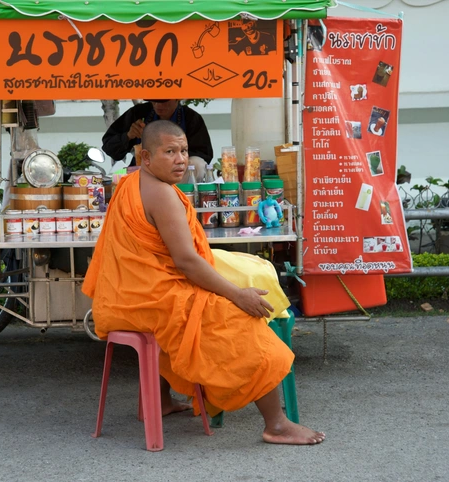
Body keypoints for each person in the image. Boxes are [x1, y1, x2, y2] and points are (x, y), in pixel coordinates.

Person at [84, 120, 325, 445]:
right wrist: (239, 296)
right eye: (169, 152)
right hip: (147, 302)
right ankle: (276, 424)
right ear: (146, 158)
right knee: (240, 320)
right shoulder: (163, 196)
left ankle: (163, 401)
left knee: (208, 306)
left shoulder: (131, 183)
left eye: (183, 150)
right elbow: (186, 262)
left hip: (119, 299)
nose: (180, 159)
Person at [101, 100, 213, 182]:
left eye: (163, 101)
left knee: (197, 164)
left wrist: (171, 158)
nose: (158, 105)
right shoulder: (139, 113)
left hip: (178, 175)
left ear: (176, 98)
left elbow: (203, 154)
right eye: (154, 101)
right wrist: (128, 136)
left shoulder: (191, 118)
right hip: (144, 171)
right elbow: (109, 147)